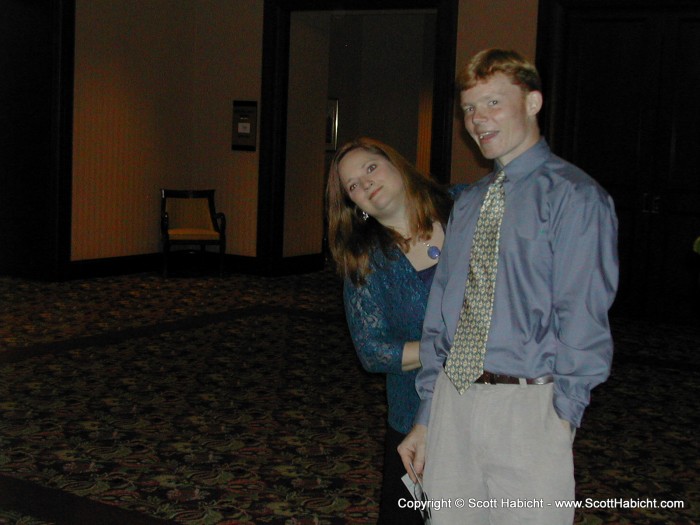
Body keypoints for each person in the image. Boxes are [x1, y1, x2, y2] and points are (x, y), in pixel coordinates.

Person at [397, 49, 619, 524]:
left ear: (533, 102)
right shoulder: (470, 202)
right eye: (470, 109)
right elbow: (442, 318)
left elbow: (583, 318)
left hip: (528, 407)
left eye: (493, 103)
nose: (478, 120)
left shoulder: (576, 198)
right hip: (454, 403)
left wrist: (561, 417)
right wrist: (427, 416)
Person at [326, 137, 466, 524]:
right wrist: (442, 349)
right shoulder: (365, 261)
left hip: (494, 405)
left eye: (370, 168)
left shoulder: (461, 209)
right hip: (418, 417)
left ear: (396, 164)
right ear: (355, 204)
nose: (365, 184)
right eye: (353, 185)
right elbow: (372, 352)